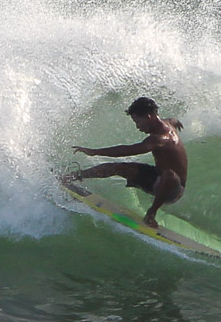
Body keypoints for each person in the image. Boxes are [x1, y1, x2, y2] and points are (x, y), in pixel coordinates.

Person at [68, 96, 187, 229]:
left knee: (169, 175)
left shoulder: (160, 139)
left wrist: (95, 151)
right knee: (117, 167)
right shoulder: (167, 123)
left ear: (148, 117)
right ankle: (72, 176)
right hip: (156, 177)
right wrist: (177, 121)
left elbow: (128, 150)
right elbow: (172, 120)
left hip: (172, 190)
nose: (137, 127)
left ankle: (151, 213)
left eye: (138, 121)